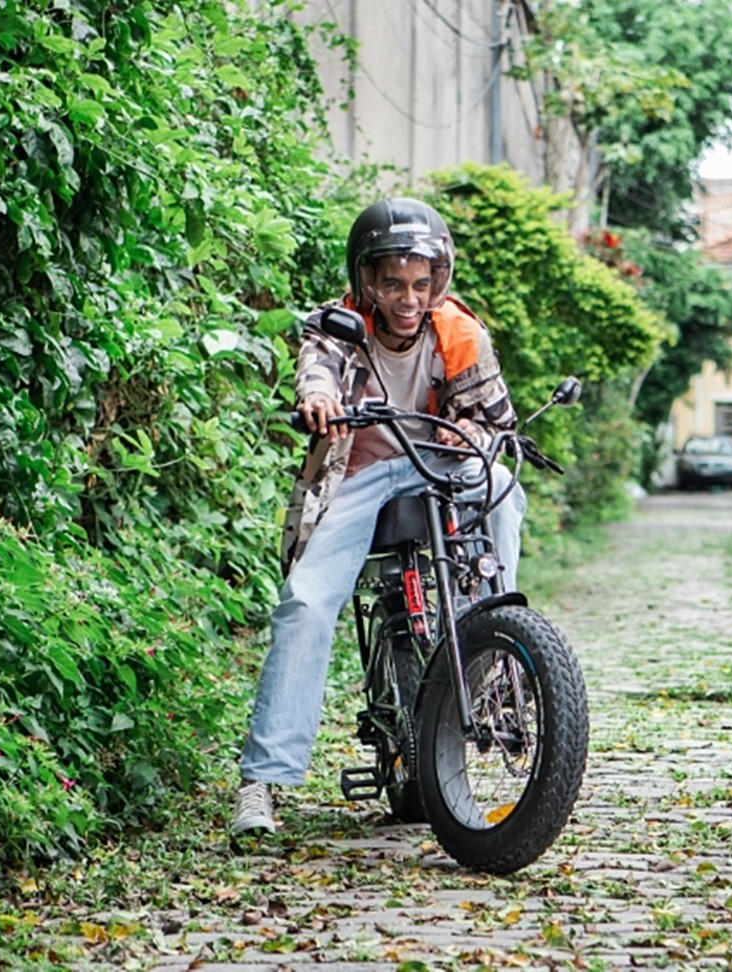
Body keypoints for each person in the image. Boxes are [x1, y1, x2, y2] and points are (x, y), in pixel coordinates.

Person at [230, 197, 524, 836]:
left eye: (422, 282)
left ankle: (495, 653)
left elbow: (498, 419)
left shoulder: (462, 334)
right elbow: (318, 375)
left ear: (440, 278)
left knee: (500, 483)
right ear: (366, 280)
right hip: (360, 475)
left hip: (436, 467)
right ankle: (262, 785)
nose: (408, 297)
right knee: (305, 604)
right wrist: (318, 400)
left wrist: (469, 428)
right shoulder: (337, 326)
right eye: (392, 282)